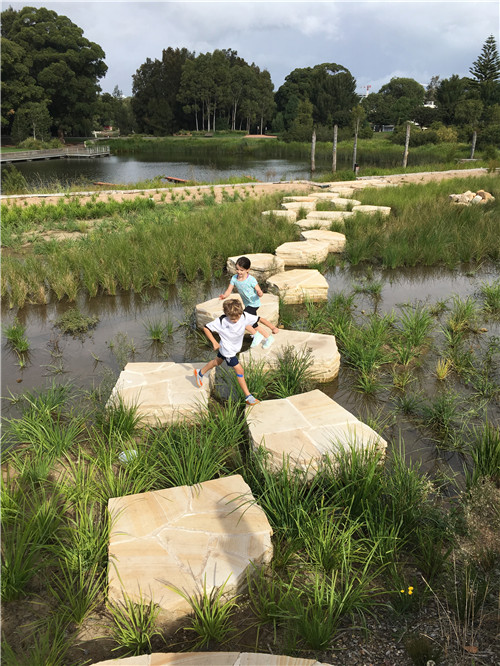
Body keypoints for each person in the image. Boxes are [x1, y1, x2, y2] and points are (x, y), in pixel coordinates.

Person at [194, 298, 260, 405]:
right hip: (228, 351)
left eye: (237, 317)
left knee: (217, 362)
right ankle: (248, 396)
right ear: (226, 314)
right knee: (240, 371)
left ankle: (200, 372)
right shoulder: (221, 321)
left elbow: (257, 320)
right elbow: (206, 328)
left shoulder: (242, 317)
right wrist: (214, 342)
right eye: (232, 318)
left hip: (228, 348)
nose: (235, 320)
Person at [219, 256, 278, 349]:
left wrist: (259, 293)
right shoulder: (234, 278)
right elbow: (229, 290)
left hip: (254, 304)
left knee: (241, 319)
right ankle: (269, 338)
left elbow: (259, 291)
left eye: (241, 270)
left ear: (248, 270)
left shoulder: (251, 280)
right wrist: (224, 296)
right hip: (247, 304)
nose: (239, 272)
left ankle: (256, 335)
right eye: (237, 269)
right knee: (254, 324)